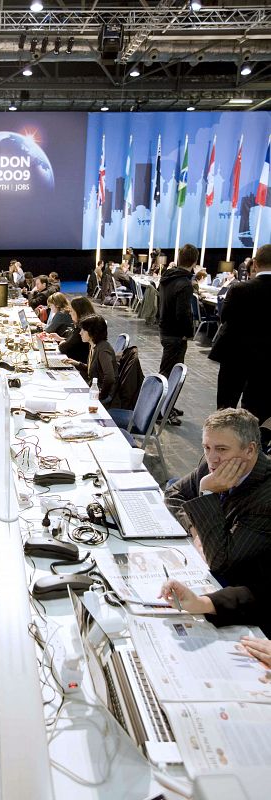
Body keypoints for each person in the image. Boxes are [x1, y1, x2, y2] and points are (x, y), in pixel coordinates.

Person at [160, 408, 271, 635]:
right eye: (206, 447)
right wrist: (195, 530)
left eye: (222, 449)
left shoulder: (266, 497)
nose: (212, 458)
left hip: (244, 593)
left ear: (250, 450)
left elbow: (219, 560)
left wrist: (207, 492)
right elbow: (173, 493)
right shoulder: (215, 464)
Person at [214, 244, 271, 424]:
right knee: (256, 411)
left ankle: (222, 438)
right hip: (266, 361)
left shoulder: (239, 289)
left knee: (225, 408)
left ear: (255, 264)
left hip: (235, 356)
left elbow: (225, 317)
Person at [158, 242, 197, 382]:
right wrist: (188, 333)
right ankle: (158, 396)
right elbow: (183, 313)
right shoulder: (185, 283)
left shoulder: (166, 277)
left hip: (164, 329)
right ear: (194, 262)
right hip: (176, 334)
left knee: (166, 372)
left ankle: (159, 395)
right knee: (170, 376)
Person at [68, 315, 118, 401]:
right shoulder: (93, 345)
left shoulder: (103, 349)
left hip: (104, 395)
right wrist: (76, 363)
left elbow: (109, 378)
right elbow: (94, 369)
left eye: (83, 330)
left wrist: (99, 396)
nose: (80, 333)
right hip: (94, 388)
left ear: (92, 332)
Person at [48, 296, 95, 364]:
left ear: (78, 312)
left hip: (79, 363)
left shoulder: (83, 327)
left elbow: (64, 348)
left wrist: (62, 342)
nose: (70, 313)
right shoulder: (85, 324)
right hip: (79, 362)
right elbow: (74, 341)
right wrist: (61, 339)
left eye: (71, 311)